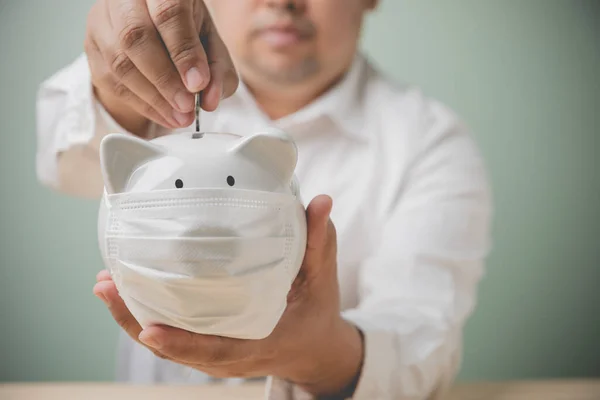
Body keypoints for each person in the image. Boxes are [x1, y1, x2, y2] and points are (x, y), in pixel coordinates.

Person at [35, 0, 493, 398]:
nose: (282, 1)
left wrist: (321, 355)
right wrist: (111, 79)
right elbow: (66, 163)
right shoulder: (154, 99)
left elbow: (421, 336)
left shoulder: (429, 143)